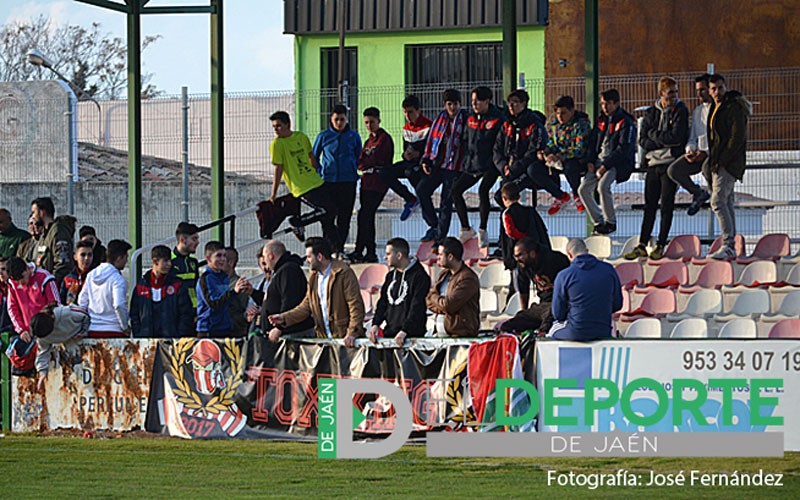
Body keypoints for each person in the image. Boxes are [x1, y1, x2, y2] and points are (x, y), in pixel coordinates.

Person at [625, 76, 689, 260]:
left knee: (667, 205)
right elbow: (643, 139)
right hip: (653, 164)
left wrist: (656, 137)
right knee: (649, 205)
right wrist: (661, 139)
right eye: (670, 93)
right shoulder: (651, 113)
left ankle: (661, 244)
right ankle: (642, 244)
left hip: (670, 164)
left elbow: (676, 137)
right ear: (661, 93)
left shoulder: (680, 110)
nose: (674, 96)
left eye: (676, 92)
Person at [269, 237, 364, 346]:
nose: (306, 260)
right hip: (324, 340)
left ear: (320, 257)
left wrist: (352, 332)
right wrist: (284, 318)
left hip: (345, 340)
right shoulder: (313, 277)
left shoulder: (344, 273)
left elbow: (355, 305)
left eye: (309, 256)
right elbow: (306, 306)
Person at [493, 89, 572, 218]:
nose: (511, 106)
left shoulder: (534, 124)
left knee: (503, 197)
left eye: (515, 102)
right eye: (509, 103)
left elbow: (534, 152)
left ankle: (523, 225)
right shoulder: (507, 124)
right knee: (501, 198)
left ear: (524, 104)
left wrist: (514, 168)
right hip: (510, 169)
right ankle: (511, 231)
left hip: (525, 170)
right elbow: (497, 149)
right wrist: (503, 166)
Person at [268, 110, 337, 246]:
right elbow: (278, 168)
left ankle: (334, 249)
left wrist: (315, 169)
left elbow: (310, 155)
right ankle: (298, 221)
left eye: (279, 126)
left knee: (330, 214)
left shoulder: (300, 137)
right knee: (326, 210)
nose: (276, 129)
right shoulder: (277, 144)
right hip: (301, 186)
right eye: (274, 127)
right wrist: (273, 193)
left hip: (315, 181)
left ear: (288, 124)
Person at [703, 74, 752, 260]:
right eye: (714, 89)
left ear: (725, 87)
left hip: (729, 162)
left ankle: (728, 244)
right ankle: (730, 244)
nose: (717, 92)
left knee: (717, 201)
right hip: (718, 161)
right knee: (726, 201)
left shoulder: (733, 107)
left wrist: (722, 160)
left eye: (720, 88)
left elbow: (736, 138)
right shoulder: (715, 108)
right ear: (709, 90)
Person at [578, 88, 636, 235]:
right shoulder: (601, 120)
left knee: (603, 186)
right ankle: (598, 221)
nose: (605, 107)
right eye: (603, 103)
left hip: (616, 164)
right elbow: (592, 142)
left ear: (617, 104)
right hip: (598, 162)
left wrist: (605, 166)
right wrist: (590, 160)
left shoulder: (626, 122)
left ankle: (610, 222)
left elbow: (624, 149)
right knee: (583, 190)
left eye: (608, 104)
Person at [451, 86, 504, 247]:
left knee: (483, 190)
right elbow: (466, 140)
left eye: (478, 101)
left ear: (487, 101)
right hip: (472, 164)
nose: (474, 104)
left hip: (490, 165)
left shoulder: (497, 118)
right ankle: (466, 228)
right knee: (455, 191)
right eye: (472, 100)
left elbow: (500, 143)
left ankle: (483, 229)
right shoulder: (470, 117)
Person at [417, 89, 468, 244]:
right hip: (439, 165)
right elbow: (432, 140)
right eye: (449, 104)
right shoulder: (440, 118)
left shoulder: (465, 118)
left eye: (455, 104)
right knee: (422, 190)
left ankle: (440, 239)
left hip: (456, 167)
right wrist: (426, 159)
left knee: (446, 202)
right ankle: (434, 225)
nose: (452, 107)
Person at [312, 104, 363, 254]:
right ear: (331, 119)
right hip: (328, 182)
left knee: (344, 217)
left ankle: (338, 249)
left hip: (348, 182)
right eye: (336, 119)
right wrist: (321, 171)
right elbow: (314, 157)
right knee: (327, 217)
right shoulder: (323, 136)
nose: (339, 123)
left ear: (346, 119)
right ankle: (328, 248)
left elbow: (359, 156)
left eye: (342, 119)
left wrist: (354, 169)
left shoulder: (354, 136)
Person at [549, 238, 623, 340]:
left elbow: (558, 314)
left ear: (569, 255)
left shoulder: (563, 275)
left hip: (576, 332)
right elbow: (617, 304)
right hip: (603, 330)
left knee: (551, 331)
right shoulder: (609, 270)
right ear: (587, 251)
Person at [349, 107, 394, 263]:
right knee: (365, 216)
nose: (369, 125)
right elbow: (361, 161)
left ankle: (364, 250)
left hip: (378, 183)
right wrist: (365, 163)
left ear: (379, 121)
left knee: (366, 214)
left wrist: (367, 163)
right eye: (366, 123)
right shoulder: (368, 141)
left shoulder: (384, 139)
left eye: (372, 122)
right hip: (366, 182)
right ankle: (366, 251)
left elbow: (376, 159)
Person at [496, 237, 569, 334]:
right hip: (542, 306)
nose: (517, 259)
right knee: (513, 323)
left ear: (532, 254)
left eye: (520, 255)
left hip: (560, 304)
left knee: (548, 319)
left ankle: (541, 336)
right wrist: (525, 312)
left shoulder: (556, 260)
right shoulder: (523, 266)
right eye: (515, 256)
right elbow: (523, 290)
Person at [368, 238, 431, 346]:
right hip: (390, 336)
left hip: (411, 339)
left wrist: (405, 330)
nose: (384, 257)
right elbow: (383, 302)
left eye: (388, 254)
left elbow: (417, 307)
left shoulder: (420, 277)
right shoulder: (390, 276)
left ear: (399, 256)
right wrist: (375, 324)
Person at [379, 95, 432, 221]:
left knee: (413, 177)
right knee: (384, 172)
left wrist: (419, 155)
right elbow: (405, 150)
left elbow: (433, 149)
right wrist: (406, 155)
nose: (407, 116)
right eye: (405, 113)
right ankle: (410, 198)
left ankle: (430, 220)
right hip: (409, 163)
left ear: (418, 111)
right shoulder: (406, 128)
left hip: (424, 165)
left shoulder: (429, 126)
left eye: (410, 112)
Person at [499, 183, 551, 309]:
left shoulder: (507, 214)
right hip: (537, 255)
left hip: (519, 261)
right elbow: (542, 231)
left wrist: (508, 259)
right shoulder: (531, 212)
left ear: (504, 198)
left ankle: (523, 310)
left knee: (520, 287)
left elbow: (510, 233)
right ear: (518, 196)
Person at [668, 74, 713, 216]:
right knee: (673, 170)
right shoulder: (697, 111)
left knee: (707, 168)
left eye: (703, 90)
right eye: (698, 90)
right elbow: (692, 137)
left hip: (712, 156)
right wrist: (690, 151)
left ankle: (715, 195)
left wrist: (705, 152)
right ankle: (698, 193)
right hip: (699, 155)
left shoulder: (719, 110)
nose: (699, 93)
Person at [130, 245, 194, 338]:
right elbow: (134, 315)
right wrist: (139, 334)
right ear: (155, 261)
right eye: (165, 261)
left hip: (172, 342)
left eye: (170, 260)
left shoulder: (177, 285)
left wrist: (179, 336)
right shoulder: (141, 287)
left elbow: (186, 313)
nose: (169, 264)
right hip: (147, 342)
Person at [541, 95, 592, 212]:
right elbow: (551, 143)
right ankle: (558, 195)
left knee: (570, 166)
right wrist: (548, 153)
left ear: (572, 111)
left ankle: (577, 195)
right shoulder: (555, 126)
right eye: (558, 113)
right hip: (558, 159)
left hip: (578, 160)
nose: (560, 116)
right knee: (537, 169)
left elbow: (580, 149)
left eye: (563, 113)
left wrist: (560, 155)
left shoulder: (581, 125)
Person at [261, 240, 315, 342]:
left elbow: (290, 300)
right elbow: (273, 299)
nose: (264, 262)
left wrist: (280, 328)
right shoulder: (281, 271)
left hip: (293, 334)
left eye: (264, 257)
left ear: (271, 256)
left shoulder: (288, 270)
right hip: (286, 333)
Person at [425, 237, 480, 337]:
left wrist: (436, 300)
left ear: (450, 257)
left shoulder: (468, 278)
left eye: (440, 254)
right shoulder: (444, 274)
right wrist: (442, 306)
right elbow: (428, 300)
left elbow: (449, 305)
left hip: (459, 334)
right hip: (439, 332)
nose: (437, 257)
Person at [78, 239, 131, 338]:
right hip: (114, 330)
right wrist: (125, 326)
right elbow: (119, 304)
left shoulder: (91, 275)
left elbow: (82, 302)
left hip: (92, 329)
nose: (126, 261)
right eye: (125, 258)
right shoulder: (118, 279)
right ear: (119, 258)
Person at [30, 303, 90, 390]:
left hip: (82, 335)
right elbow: (43, 351)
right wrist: (42, 373)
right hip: (69, 344)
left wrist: (84, 331)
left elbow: (85, 315)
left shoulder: (66, 313)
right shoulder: (41, 336)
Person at [196, 241, 249, 338]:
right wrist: (234, 292)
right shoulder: (206, 278)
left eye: (224, 256)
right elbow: (213, 303)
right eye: (218, 256)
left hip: (225, 328)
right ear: (208, 258)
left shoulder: (224, 277)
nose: (223, 259)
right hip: (208, 329)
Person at [5, 256, 60, 344]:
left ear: (27, 268)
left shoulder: (45, 277)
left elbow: (56, 306)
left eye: (22, 277)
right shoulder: (12, 283)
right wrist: (21, 330)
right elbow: (12, 308)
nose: (20, 283)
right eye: (17, 280)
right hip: (28, 335)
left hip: (48, 333)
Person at [30, 197, 75, 285]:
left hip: (53, 287)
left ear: (42, 212)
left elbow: (62, 264)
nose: (33, 217)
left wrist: (50, 283)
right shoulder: (44, 234)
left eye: (34, 212)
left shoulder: (58, 231)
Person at [224, 246, 256, 337]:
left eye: (223, 257)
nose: (219, 261)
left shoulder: (240, 285)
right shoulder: (216, 281)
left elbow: (242, 309)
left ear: (230, 262)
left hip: (234, 330)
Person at [171, 222, 201, 309]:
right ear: (182, 239)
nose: (197, 242)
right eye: (194, 239)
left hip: (193, 312)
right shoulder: (169, 261)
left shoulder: (193, 262)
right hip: (176, 313)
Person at [60, 240, 94, 305]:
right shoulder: (67, 279)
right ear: (75, 257)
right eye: (83, 255)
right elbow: (61, 302)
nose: (87, 258)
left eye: (90, 255)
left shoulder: (96, 278)